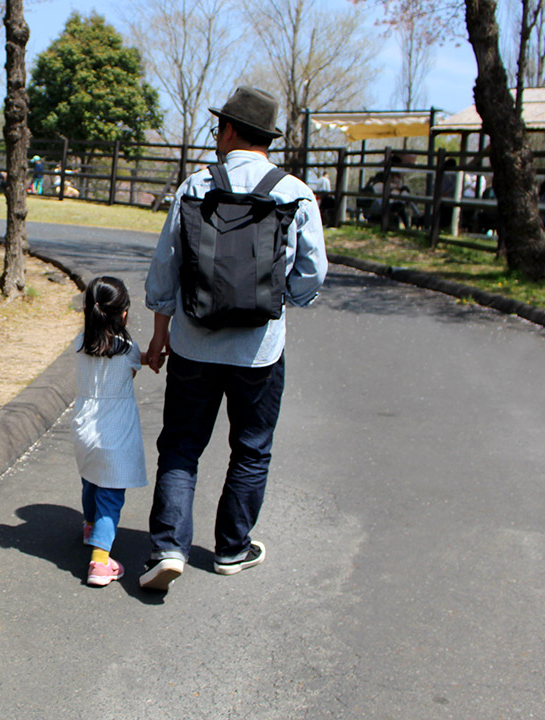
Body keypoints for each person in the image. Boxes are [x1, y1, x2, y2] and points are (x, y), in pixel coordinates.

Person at [139, 86, 327, 591]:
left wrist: (160, 333)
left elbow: (165, 268)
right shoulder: (295, 192)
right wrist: (278, 298)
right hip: (259, 350)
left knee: (181, 445)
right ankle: (231, 548)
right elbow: (313, 272)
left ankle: (168, 548)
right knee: (250, 448)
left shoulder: (194, 187)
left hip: (193, 344)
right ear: (267, 138)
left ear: (227, 131)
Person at [71, 276, 148, 587]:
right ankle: (100, 563)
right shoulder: (129, 348)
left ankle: (90, 526)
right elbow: (127, 370)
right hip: (114, 432)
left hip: (85, 428)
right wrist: (149, 358)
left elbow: (102, 357)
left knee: (91, 478)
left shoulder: (79, 342)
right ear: (124, 314)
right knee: (111, 496)